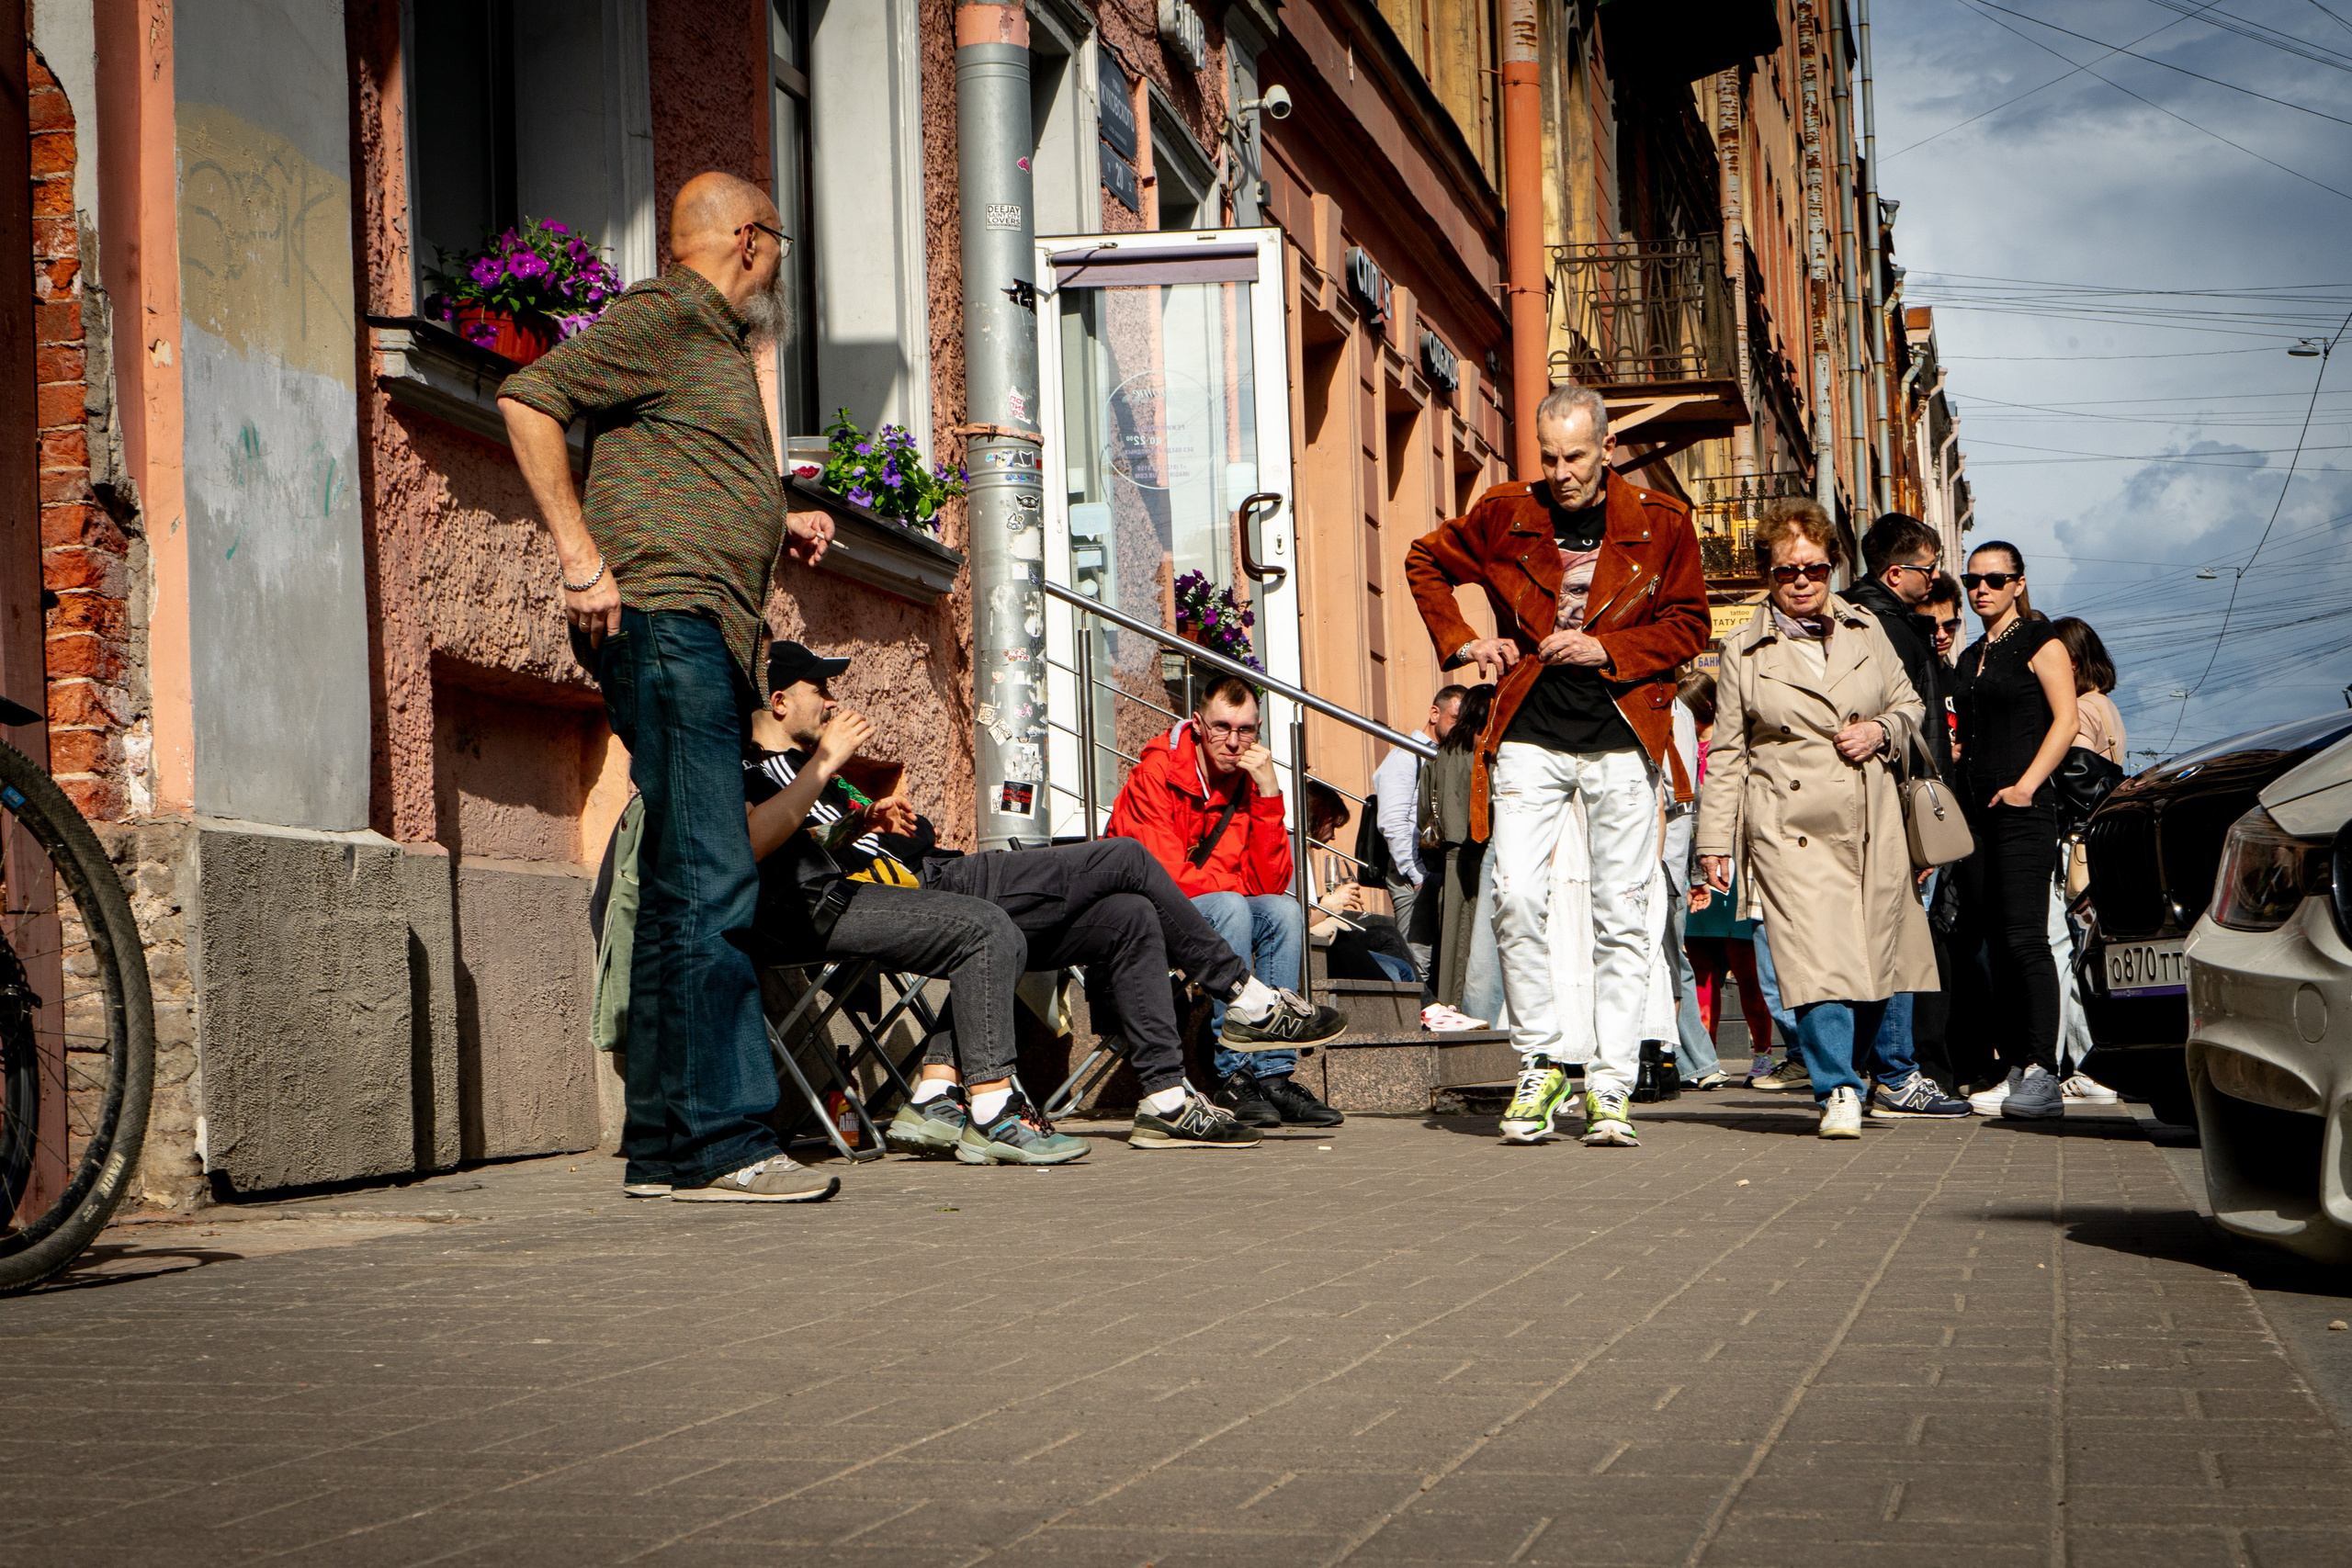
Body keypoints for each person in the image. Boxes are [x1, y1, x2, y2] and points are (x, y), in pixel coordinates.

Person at [499, 172, 840, 1203]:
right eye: (777, 247)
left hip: (692, 634)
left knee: (679, 889)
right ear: (749, 239)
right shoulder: (671, 315)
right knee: (716, 881)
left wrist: (774, 514)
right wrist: (579, 559)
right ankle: (726, 1141)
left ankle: (661, 1146)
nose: (779, 270)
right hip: (668, 625)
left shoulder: (709, 343)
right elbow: (528, 397)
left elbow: (677, 460)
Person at [748, 643, 1338, 1156]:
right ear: (778, 702)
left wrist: (865, 817)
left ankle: (1164, 1098)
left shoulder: (815, 770)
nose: (831, 702)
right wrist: (830, 771)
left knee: (1129, 915)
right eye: (818, 689)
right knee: (1127, 858)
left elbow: (888, 833)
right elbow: (778, 848)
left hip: (932, 875)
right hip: (918, 891)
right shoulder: (761, 770)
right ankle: (1246, 997)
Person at [1405, 382, 1709, 1147]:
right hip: (1529, 734)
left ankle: (1610, 1085)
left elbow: (1689, 625)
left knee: (1623, 912)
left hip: (1623, 736)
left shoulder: (1663, 521)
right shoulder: (1507, 512)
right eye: (1549, 457)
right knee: (1513, 897)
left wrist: (1607, 647)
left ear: (1608, 448)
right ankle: (1539, 1063)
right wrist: (1465, 641)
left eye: (1576, 456)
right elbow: (1424, 559)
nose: (1562, 472)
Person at [1694, 502, 1952, 1138]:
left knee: (1877, 956)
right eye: (1787, 571)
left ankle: (1867, 1071)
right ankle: (1836, 1085)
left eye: (1814, 568)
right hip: (1790, 826)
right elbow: (1727, 753)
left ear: (1833, 566)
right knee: (1814, 960)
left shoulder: (1867, 629)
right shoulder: (1743, 649)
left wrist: (1879, 730)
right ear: (1769, 573)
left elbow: (1909, 704)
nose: (1802, 581)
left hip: (1870, 816)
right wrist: (1713, 842)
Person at [1107, 677, 1349, 1130]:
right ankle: (1232, 1075)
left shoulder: (1248, 781)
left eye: (1246, 730)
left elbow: (1269, 883)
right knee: (1231, 906)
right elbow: (1164, 879)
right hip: (1140, 915)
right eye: (1221, 727)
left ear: (1258, 730)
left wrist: (1270, 794)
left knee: (1283, 912)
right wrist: (1233, 888)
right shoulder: (1156, 774)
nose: (1234, 743)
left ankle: (1273, 1076)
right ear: (1198, 724)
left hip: (1211, 910)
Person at [1836, 514, 1969, 1119]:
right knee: (1897, 939)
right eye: (1927, 568)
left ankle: (1865, 1071)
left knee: (1869, 940)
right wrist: (1926, 822)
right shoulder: (1893, 629)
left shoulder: (1846, 618)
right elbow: (1915, 725)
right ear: (1895, 574)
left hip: (1861, 800)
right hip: (1898, 802)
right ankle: (1895, 1071)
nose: (1934, 577)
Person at [1951, 542, 2081, 1120]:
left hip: (2024, 809)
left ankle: (2042, 1072)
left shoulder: (2039, 639)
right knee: (1991, 940)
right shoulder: (1970, 655)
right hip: (1975, 812)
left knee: (2026, 937)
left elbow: (2067, 720)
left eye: (1995, 579)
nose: (1981, 589)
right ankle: (2013, 1067)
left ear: (2019, 584)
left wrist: (2027, 785)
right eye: (1972, 580)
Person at [2047, 615, 2125, 1106]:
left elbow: (2074, 774)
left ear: (2070, 663)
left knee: (2064, 952)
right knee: (2085, 951)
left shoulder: (2078, 710)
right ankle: (2094, 1063)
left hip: (2074, 843)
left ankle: (2084, 1064)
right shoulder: (2107, 706)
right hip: (2099, 842)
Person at [1303, 782, 1431, 1003]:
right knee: (1397, 968)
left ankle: (1429, 1006)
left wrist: (1328, 901)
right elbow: (1300, 917)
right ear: (1318, 816)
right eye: (1332, 825)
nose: (1333, 837)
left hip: (1325, 932)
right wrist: (1330, 903)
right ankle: (1428, 1008)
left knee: (1387, 935)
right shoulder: (1293, 849)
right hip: (1318, 941)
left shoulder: (1302, 850)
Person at [1415, 685, 1496, 1028]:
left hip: (1450, 857)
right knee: (1481, 938)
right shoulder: (1487, 750)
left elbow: (1423, 813)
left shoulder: (1440, 753)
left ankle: (1450, 1007)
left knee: (1451, 941)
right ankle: (1479, 1012)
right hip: (1484, 853)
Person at [1373, 687, 1468, 974]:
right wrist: (1417, 876)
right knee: (1417, 962)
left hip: (1438, 869)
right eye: (1455, 718)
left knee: (1440, 961)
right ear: (1434, 713)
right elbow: (1393, 822)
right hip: (1413, 871)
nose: (1460, 728)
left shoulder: (1447, 757)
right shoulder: (1406, 756)